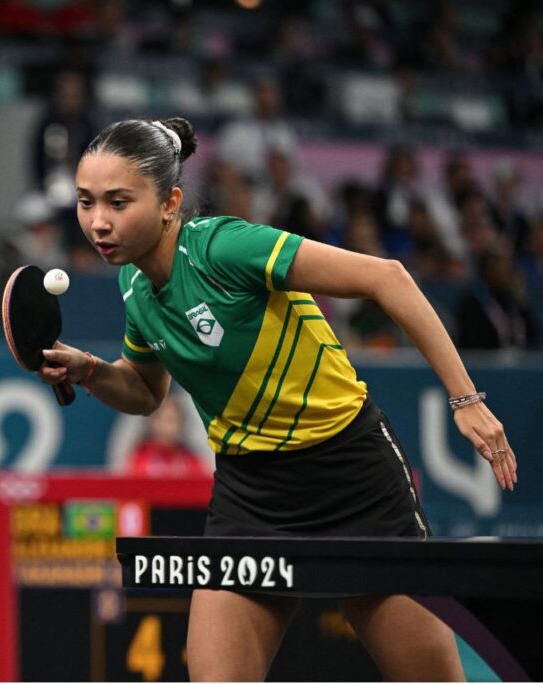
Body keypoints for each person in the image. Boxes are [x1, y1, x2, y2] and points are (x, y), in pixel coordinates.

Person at [37, 116, 518, 681]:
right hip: (251, 495)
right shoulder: (135, 287)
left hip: (349, 475)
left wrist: (467, 401)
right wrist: (90, 371)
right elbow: (145, 391)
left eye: (119, 202)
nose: (98, 222)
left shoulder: (224, 247)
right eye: (86, 202)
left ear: (170, 202)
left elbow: (388, 277)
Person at [125, 394, 211, 479]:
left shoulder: (190, 459)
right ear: (153, 422)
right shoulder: (141, 457)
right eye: (165, 419)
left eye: (173, 419)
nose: (169, 427)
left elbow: (202, 483)